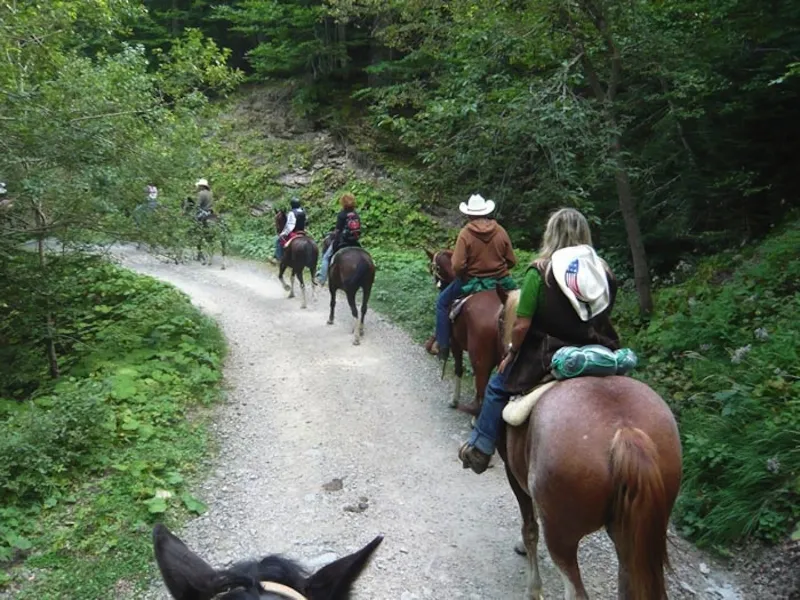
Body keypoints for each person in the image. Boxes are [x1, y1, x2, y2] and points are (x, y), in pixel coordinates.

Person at [457, 207, 621, 474]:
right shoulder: (604, 271)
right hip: (600, 350)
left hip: (548, 353)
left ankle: (481, 447)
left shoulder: (541, 271)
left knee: (497, 385)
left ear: (552, 234)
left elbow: (521, 324)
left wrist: (511, 352)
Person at [435, 193, 518, 362]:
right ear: (486, 212)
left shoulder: (466, 233)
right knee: (522, 306)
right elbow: (511, 260)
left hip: (472, 281)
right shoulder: (500, 230)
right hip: (501, 281)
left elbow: (457, 265)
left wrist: (465, 273)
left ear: (469, 214)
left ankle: (443, 346)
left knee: (442, 303)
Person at [316, 193, 361, 285]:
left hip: (343, 241)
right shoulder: (356, 214)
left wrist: (332, 235)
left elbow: (338, 230)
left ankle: (322, 278)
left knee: (326, 257)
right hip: (354, 241)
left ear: (343, 203)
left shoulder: (342, 214)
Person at [275, 197, 307, 262]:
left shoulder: (291, 213)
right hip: (302, 232)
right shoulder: (303, 212)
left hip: (294, 232)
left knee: (279, 240)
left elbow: (290, 225)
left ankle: (279, 258)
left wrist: (283, 233)